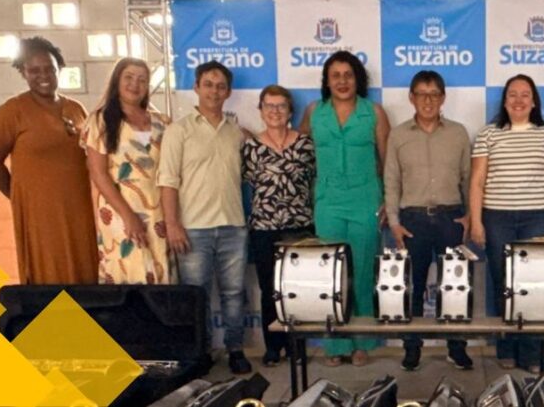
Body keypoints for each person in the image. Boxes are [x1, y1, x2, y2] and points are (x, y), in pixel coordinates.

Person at [469, 73, 544, 373]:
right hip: (497, 218)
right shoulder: (488, 135)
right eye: (512, 94)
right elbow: (477, 182)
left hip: (537, 217)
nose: (519, 100)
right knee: (503, 284)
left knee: (534, 286)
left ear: (534, 101)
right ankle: (506, 349)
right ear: (504, 101)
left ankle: (532, 354)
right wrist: (477, 222)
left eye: (525, 94)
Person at [158, 61, 252, 375]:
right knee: (196, 296)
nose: (214, 91)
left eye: (220, 86)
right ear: (196, 87)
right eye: (208, 84)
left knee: (234, 295)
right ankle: (200, 353)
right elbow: (167, 181)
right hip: (193, 229)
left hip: (233, 227)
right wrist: (173, 224)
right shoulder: (178, 131)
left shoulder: (236, 132)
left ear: (228, 92)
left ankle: (235, 349)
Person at [298, 50, 390, 367]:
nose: (342, 81)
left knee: (361, 273)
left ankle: (362, 342)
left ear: (357, 79)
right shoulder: (314, 112)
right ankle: (335, 345)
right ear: (326, 81)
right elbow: (297, 153)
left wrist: (388, 200)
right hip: (328, 203)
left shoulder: (373, 112)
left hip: (365, 201)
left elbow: (387, 161)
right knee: (330, 275)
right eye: (335, 76)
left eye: (348, 75)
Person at [0, 36, 98, 284]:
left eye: (49, 69)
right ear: (23, 72)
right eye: (34, 70)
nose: (43, 75)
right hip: (40, 214)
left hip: (78, 209)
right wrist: (18, 196)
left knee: (85, 270)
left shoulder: (76, 109)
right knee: (49, 274)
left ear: (59, 70)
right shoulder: (12, 111)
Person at [384, 70, 473, 372]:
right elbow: (392, 181)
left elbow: (468, 177)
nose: (428, 100)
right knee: (413, 286)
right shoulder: (398, 135)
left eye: (434, 94)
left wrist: (470, 216)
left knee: (456, 286)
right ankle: (412, 348)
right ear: (411, 98)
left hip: (451, 217)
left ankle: (457, 348)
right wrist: (394, 222)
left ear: (443, 98)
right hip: (413, 220)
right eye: (422, 94)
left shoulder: (458, 133)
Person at [82, 58, 174, 284]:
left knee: (160, 276)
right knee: (128, 272)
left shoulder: (163, 123)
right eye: (129, 78)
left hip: (159, 213)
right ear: (117, 81)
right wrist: (128, 216)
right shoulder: (100, 121)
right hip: (120, 212)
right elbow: (99, 174)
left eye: (142, 80)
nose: (135, 84)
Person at [242, 84, 315, 367]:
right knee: (269, 289)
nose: (275, 111)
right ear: (261, 111)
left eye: (281, 106)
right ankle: (273, 347)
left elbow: (314, 180)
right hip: (264, 227)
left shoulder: (306, 145)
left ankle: (297, 346)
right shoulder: (250, 147)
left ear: (290, 111)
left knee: (298, 289)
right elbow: (248, 182)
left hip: (300, 226)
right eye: (269, 106)